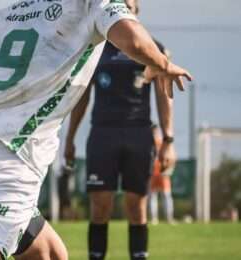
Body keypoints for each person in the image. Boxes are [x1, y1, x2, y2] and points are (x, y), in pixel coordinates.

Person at [0, 0, 192, 259]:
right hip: (4, 167)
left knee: (48, 254)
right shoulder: (93, 5)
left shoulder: (1, 17)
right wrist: (164, 64)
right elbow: (134, 41)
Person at [64, 1, 178, 259]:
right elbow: (81, 97)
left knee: (137, 206)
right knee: (100, 206)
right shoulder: (95, 49)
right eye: (120, 4)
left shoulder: (153, 49)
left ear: (137, 11)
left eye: (129, 5)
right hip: (103, 134)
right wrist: (69, 138)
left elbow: (164, 95)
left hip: (138, 134)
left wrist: (169, 139)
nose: (125, 8)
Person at [149, 125, 176, 225]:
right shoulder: (149, 144)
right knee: (153, 196)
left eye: (156, 131)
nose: (154, 133)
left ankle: (169, 218)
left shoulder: (164, 143)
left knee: (166, 196)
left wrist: (168, 169)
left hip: (163, 174)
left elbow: (171, 157)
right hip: (153, 174)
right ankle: (154, 219)